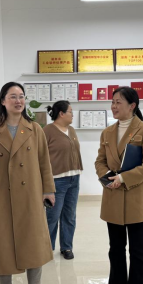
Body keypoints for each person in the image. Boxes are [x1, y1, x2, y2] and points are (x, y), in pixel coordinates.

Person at [0, 82, 56, 284]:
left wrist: (48, 190)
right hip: (2, 196)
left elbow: (44, 163)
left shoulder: (35, 129)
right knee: (2, 244)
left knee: (33, 243)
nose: (18, 101)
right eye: (13, 96)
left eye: (21, 96)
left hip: (30, 195)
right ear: (3, 101)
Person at [95, 87, 143, 284]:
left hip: (136, 197)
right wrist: (106, 177)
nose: (113, 106)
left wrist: (123, 178)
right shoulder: (107, 132)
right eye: (112, 102)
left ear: (132, 106)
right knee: (115, 249)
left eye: (118, 102)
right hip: (113, 196)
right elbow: (100, 161)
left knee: (138, 250)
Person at [44, 101, 83, 260]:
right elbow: (41, 157)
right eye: (70, 112)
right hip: (56, 181)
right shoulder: (47, 131)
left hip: (74, 178)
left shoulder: (71, 130)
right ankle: (47, 249)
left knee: (69, 215)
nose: (72, 115)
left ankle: (66, 247)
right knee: (52, 217)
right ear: (61, 113)